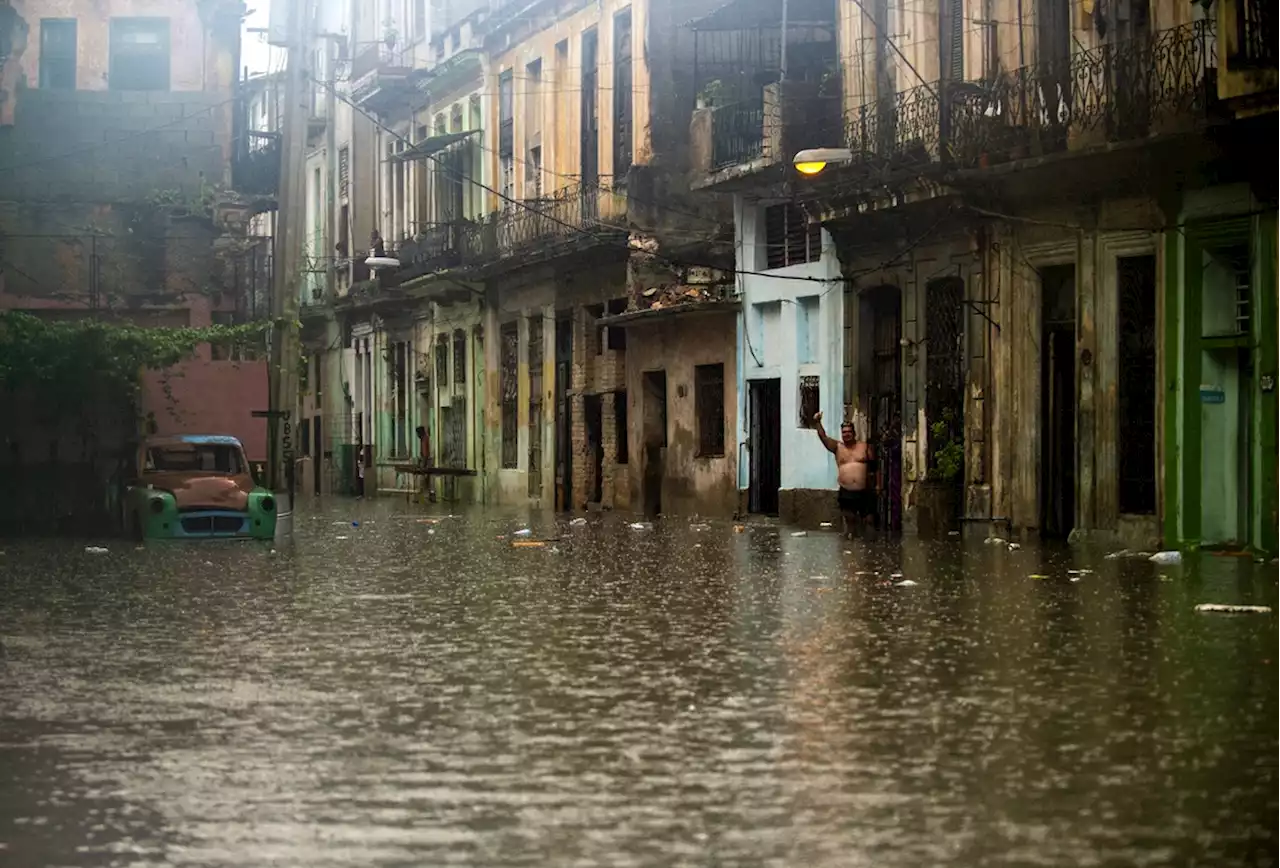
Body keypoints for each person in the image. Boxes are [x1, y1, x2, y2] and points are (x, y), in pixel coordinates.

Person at [813, 411, 876, 537]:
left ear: (854, 433)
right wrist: (817, 422)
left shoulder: (864, 447)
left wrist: (878, 485)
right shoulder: (837, 447)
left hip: (864, 490)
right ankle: (851, 550)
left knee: (869, 520)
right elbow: (823, 437)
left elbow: (875, 468)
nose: (846, 434)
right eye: (844, 432)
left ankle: (870, 548)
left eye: (849, 432)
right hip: (847, 491)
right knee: (850, 522)